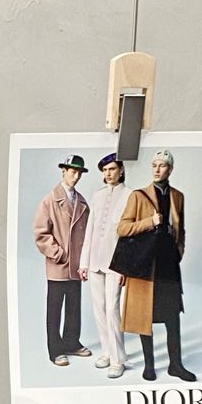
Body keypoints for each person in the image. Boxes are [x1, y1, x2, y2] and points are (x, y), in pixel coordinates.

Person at [116, 149, 196, 382]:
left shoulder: (178, 196)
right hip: (145, 265)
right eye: (154, 165)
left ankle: (176, 365)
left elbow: (181, 230)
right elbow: (122, 228)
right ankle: (149, 366)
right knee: (145, 316)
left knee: (173, 317)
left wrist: (178, 252)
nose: (157, 169)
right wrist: (149, 222)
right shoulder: (138, 196)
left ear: (170, 169)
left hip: (168, 265)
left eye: (162, 165)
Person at [33, 154, 93, 367]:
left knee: (74, 307)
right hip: (58, 264)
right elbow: (41, 234)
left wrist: (84, 261)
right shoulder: (50, 200)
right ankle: (55, 350)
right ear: (64, 171)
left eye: (79, 173)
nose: (75, 176)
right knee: (55, 309)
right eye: (72, 171)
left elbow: (88, 234)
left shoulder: (82, 202)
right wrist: (59, 254)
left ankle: (72, 342)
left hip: (77, 266)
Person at [79, 153, 129, 378]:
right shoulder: (97, 196)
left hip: (116, 263)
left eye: (112, 169)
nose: (108, 174)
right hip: (95, 261)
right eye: (105, 170)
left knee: (112, 310)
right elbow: (89, 231)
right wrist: (84, 263)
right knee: (98, 308)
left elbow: (129, 237)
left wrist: (125, 267)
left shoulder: (130, 195)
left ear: (121, 170)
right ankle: (107, 352)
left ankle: (118, 360)